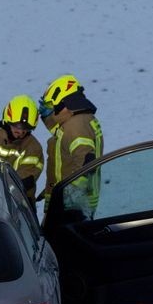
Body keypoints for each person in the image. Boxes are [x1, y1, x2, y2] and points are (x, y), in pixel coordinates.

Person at [37, 74, 103, 217]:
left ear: (63, 103)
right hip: (72, 203)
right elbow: (61, 136)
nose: (50, 110)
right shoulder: (78, 121)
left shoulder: (76, 126)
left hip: (73, 207)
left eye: (51, 106)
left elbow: (85, 164)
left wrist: (69, 197)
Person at [0, 95, 44, 201]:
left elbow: (24, 180)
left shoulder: (33, 148)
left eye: (26, 129)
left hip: (20, 204)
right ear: (7, 120)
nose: (21, 132)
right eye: (16, 126)